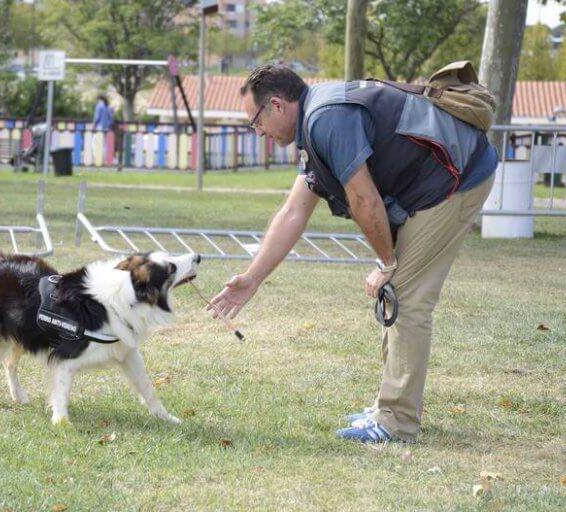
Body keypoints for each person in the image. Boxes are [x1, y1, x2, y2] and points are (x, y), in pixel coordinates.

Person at [209, 64, 498, 444]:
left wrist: (386, 264)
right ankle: (391, 405)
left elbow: (365, 200)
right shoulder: (317, 119)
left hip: (457, 180)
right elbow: (293, 211)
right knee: (395, 291)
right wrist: (253, 277)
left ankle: (396, 420)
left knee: (406, 298)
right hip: (435, 183)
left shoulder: (327, 119)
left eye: (255, 120)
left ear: (277, 105)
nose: (257, 130)